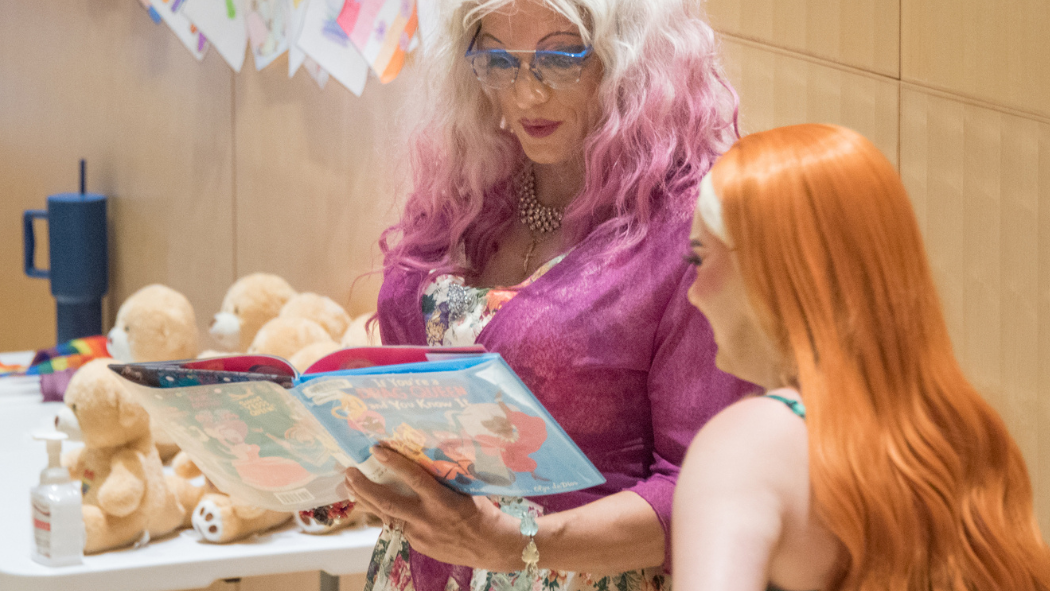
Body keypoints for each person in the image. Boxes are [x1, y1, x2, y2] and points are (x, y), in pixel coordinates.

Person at [341, 1, 754, 591]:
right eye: (498, 61)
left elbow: (706, 491)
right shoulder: (472, 183)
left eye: (560, 60)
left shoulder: (689, 223)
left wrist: (514, 545)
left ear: (631, 60)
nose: (526, 95)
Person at [674, 123, 1050, 591]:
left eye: (699, 259)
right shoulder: (968, 437)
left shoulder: (752, 444)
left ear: (770, 269)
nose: (693, 294)